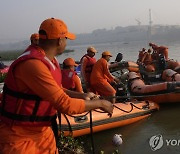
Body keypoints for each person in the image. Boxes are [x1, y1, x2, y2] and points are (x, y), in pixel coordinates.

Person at [0, 18, 113, 154]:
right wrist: (101, 103)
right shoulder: (33, 65)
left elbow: (58, 90)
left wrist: (82, 95)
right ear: (60, 41)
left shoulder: (50, 61)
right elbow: (65, 105)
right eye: (66, 39)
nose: (66, 42)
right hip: (20, 137)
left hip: (43, 132)